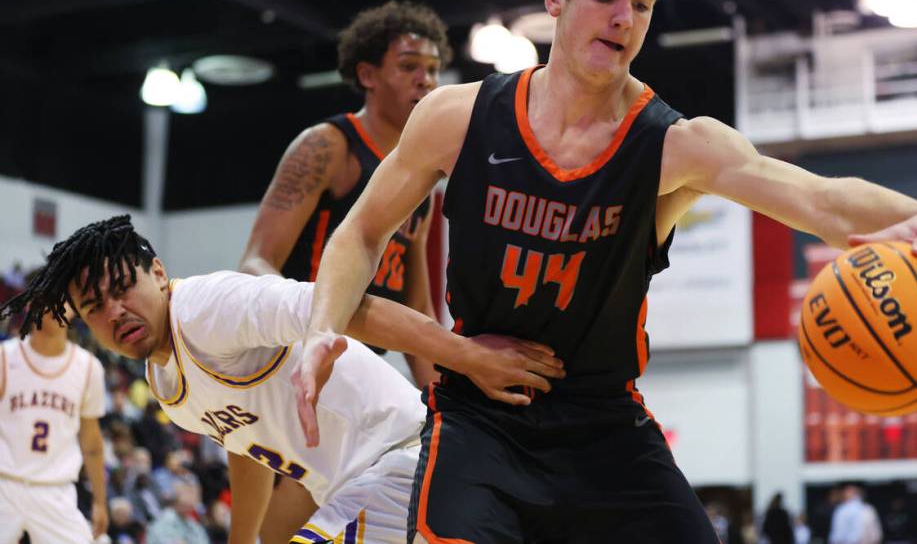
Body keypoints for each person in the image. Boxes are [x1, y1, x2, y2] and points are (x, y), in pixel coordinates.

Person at [299, 0, 917, 544]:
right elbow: (358, 234)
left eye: (643, 3)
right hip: (483, 421)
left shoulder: (675, 144)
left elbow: (823, 201)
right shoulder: (458, 116)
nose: (624, 16)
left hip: (605, 428)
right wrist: (323, 331)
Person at [0, 215, 563, 544]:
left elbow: (348, 307)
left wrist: (467, 357)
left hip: (405, 457)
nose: (115, 311)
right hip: (363, 485)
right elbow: (243, 447)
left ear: (159, 273)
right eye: (94, 306)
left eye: (123, 288)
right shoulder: (165, 383)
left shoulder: (209, 307)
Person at [239, 0, 452, 540]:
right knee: (265, 534)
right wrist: (314, 322)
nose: (424, 80)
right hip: (301, 361)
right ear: (367, 74)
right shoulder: (327, 147)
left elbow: (420, 311)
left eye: (431, 69)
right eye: (409, 66)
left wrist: (448, 402)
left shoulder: (422, 182)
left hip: (362, 379)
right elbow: (255, 259)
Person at [0, 285, 108, 543]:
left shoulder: (89, 368)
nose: (54, 307)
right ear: (30, 305)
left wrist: (100, 501)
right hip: (4, 483)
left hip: (56, 491)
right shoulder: (5, 357)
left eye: (62, 301)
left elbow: (92, 444)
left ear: (74, 310)